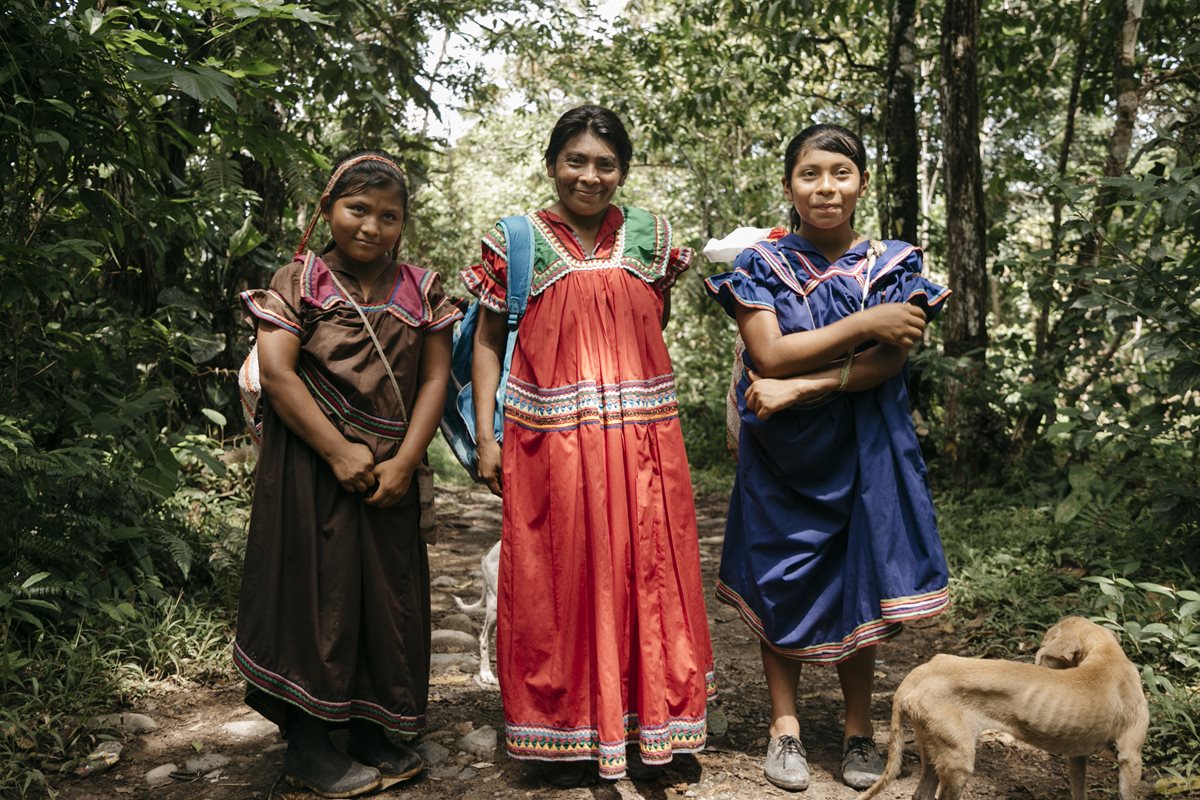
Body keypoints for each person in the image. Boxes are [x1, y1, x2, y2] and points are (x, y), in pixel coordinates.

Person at [463, 105, 715, 787]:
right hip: (551, 446)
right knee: (557, 577)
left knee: (650, 573)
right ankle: (564, 732)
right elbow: (488, 342)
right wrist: (486, 436)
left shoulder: (652, 237)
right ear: (552, 164)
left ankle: (653, 724)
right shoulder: (515, 241)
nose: (590, 175)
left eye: (605, 163)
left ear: (622, 171)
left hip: (643, 445)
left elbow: (646, 320)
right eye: (576, 160)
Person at [704, 124, 951, 792]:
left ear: (862, 182)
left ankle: (857, 729)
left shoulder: (892, 264)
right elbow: (770, 354)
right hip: (782, 455)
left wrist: (804, 384)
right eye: (810, 174)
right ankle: (784, 727)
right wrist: (865, 324)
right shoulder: (761, 266)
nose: (827, 187)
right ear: (789, 186)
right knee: (778, 577)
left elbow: (891, 359)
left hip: (865, 451)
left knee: (858, 579)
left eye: (841, 172)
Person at [234, 150, 460, 798]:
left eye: (389, 216)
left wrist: (407, 461)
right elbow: (278, 372)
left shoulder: (422, 289)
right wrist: (336, 452)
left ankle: (368, 728)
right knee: (313, 598)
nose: (372, 226)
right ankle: (306, 747)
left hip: (389, 477)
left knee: (385, 601)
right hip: (310, 474)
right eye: (357, 209)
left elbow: (436, 377)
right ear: (328, 209)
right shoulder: (298, 280)